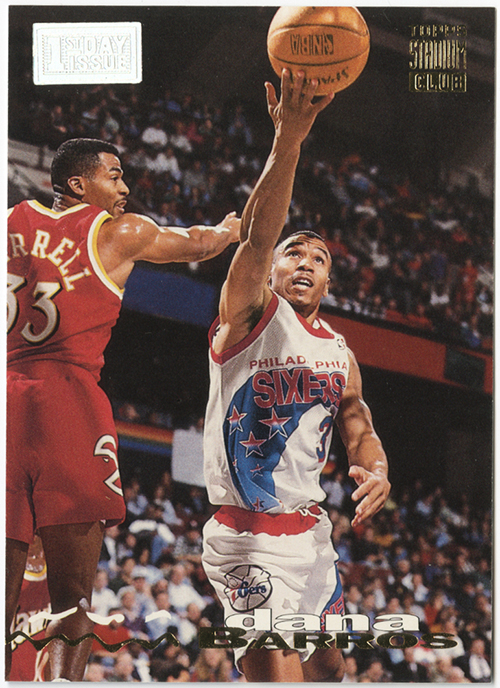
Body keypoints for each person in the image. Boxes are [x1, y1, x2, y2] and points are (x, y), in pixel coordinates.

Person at [6, 137, 240, 681]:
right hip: (68, 399)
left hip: (7, 397)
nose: (125, 187)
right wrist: (228, 232)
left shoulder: (10, 222)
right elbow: (195, 243)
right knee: (71, 598)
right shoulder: (118, 231)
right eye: (114, 175)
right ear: (78, 184)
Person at [201, 70, 390, 682]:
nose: (306, 262)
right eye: (294, 253)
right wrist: (290, 140)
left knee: (330, 670)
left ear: (330, 281)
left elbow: (358, 422)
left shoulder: (339, 349)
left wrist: (376, 466)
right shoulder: (249, 314)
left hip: (310, 532)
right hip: (247, 536)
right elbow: (257, 235)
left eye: (319, 258)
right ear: (272, 269)